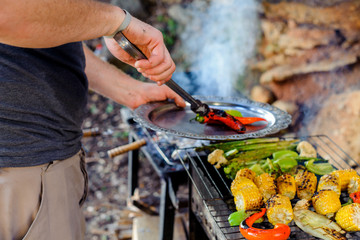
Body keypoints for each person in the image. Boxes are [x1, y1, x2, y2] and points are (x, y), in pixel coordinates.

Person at [0, 1, 185, 240]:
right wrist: (115, 22)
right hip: (21, 169)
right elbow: (8, 14)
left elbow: (48, 26)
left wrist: (129, 90)